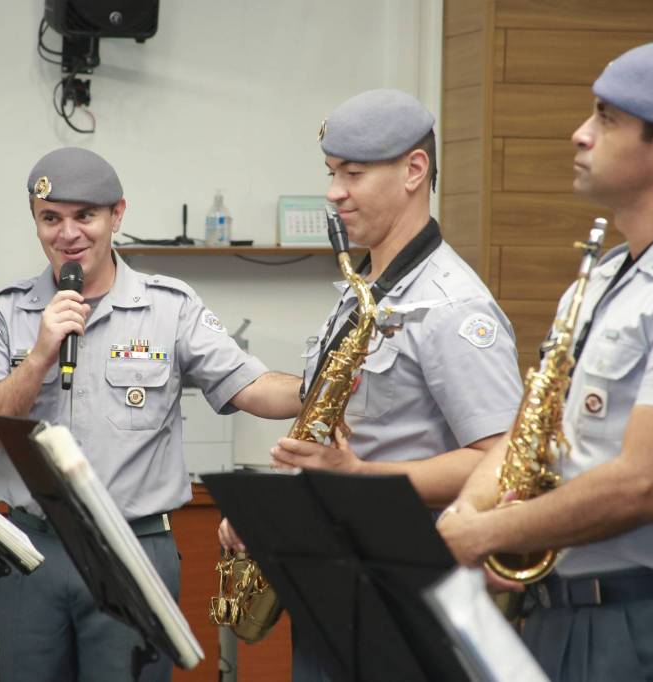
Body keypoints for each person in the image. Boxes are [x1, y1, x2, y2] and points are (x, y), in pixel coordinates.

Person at [437, 41, 653, 681]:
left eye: (607, 119)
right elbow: (531, 429)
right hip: (562, 613)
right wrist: (468, 512)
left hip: (652, 621)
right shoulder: (605, 276)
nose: (580, 134)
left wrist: (492, 532)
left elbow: (642, 485)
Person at [0, 146, 302, 682]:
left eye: (85, 216)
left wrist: (321, 387)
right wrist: (42, 353)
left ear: (117, 215)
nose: (68, 234)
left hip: (134, 549)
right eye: (51, 218)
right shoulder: (7, 310)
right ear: (35, 221)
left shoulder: (170, 305)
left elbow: (251, 386)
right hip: (31, 552)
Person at [218, 89, 524, 682]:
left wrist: (359, 477)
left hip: (407, 595)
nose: (334, 192)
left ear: (414, 170)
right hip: (336, 582)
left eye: (353, 174)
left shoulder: (454, 306)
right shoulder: (362, 288)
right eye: (332, 173)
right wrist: (274, 515)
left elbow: (502, 462)